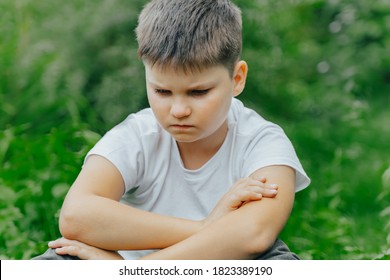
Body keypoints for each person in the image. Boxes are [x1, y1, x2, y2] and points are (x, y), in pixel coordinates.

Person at [33, 0, 310, 260]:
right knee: (63, 256)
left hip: (213, 268)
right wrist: (206, 226)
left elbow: (254, 233)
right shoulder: (136, 135)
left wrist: (128, 272)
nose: (178, 110)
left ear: (236, 79)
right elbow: (75, 216)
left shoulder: (262, 141)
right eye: (162, 91)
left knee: (275, 259)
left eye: (198, 92)